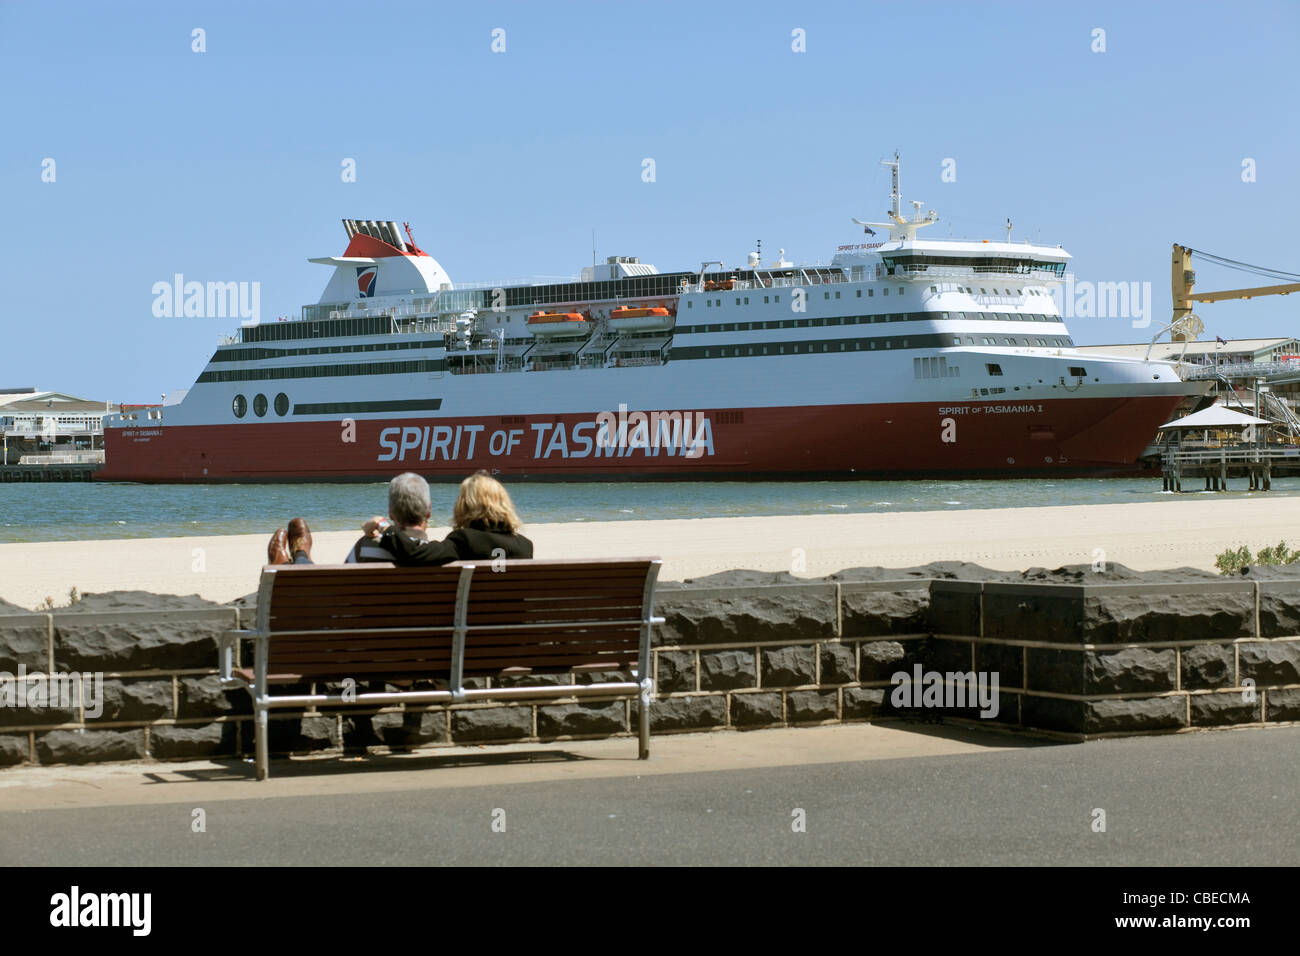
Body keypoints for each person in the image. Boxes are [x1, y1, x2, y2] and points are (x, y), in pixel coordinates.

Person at [365, 470, 533, 565]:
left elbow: (415, 553)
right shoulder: (525, 546)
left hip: (473, 625)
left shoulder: (464, 541)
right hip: (515, 626)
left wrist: (384, 526)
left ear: (464, 506)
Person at [346, 472, 435, 563]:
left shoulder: (364, 548)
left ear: (390, 512)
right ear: (428, 512)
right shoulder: (438, 554)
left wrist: (382, 525)